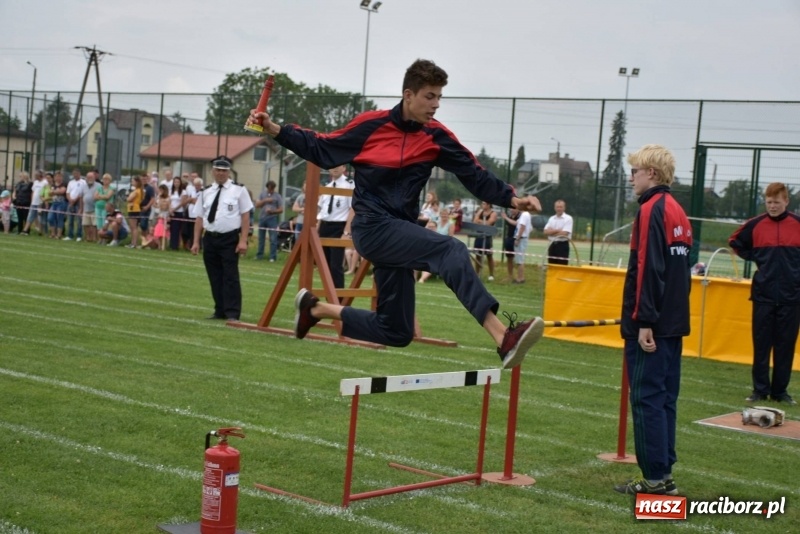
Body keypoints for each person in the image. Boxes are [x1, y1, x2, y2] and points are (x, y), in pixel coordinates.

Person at [247, 58, 544, 369]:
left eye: (440, 97)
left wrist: (513, 199)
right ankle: (502, 337)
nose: (436, 105)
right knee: (451, 249)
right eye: (430, 96)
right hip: (373, 228)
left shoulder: (436, 136)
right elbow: (322, 146)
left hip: (400, 232)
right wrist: (275, 129)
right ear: (408, 95)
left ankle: (316, 310)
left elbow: (474, 174)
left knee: (396, 330)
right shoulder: (371, 126)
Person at [614, 144, 692, 496]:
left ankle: (656, 481)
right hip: (674, 322)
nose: (631, 177)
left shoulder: (651, 209)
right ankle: (663, 473)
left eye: (636, 171)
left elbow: (648, 268)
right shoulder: (678, 210)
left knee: (646, 398)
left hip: (653, 324)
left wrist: (644, 320)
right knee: (664, 399)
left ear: (653, 174)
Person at [729, 181, 800, 406]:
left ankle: (780, 392)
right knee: (761, 345)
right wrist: (757, 257)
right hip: (763, 296)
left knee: (785, 346)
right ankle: (759, 390)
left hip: (792, 297)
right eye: (769, 202)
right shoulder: (755, 224)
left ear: (786, 202)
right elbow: (735, 241)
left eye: (777, 202)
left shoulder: (797, 224)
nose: (772, 206)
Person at [191, 156, 253, 321]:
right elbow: (199, 217)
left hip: (229, 239)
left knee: (230, 277)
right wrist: (196, 241)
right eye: (218, 170)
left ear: (228, 172)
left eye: (224, 170)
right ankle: (220, 310)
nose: (221, 173)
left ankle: (232, 313)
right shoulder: (205, 192)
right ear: (212, 171)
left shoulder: (239, 190)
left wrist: (243, 240)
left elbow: (245, 216)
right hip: (210, 238)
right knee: (215, 276)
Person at [317, 165, 354, 288]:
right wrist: (317, 230)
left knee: (335, 266)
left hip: (338, 227)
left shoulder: (349, 185)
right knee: (324, 266)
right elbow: (322, 212)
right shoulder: (327, 187)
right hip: (325, 226)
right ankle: (329, 297)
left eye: (339, 165)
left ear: (344, 168)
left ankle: (338, 300)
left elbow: (352, 209)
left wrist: (346, 232)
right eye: (332, 166)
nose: (335, 168)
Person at [254, 180, 283, 261]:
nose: (271, 190)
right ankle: (259, 255)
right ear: (267, 188)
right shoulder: (262, 194)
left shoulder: (277, 196)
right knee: (261, 238)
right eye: (270, 189)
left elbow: (281, 209)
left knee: (273, 239)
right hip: (262, 218)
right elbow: (257, 205)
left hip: (272, 218)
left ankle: (272, 257)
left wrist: (272, 211)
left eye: (272, 189)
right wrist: (265, 200)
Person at [543, 199, 573, 265]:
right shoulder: (551, 219)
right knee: (551, 266)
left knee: (562, 267)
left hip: (562, 246)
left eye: (561, 207)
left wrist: (551, 232)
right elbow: (545, 232)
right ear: (554, 208)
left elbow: (564, 233)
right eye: (557, 207)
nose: (559, 209)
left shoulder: (568, 218)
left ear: (564, 208)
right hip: (552, 245)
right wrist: (557, 230)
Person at [472, 201, 497, 281]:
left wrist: (481, 222)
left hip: (487, 237)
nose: (483, 205)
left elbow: (489, 223)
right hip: (479, 235)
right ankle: (477, 273)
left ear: (489, 205)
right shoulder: (480, 211)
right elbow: (475, 221)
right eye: (482, 204)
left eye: (484, 204)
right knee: (477, 255)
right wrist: (482, 222)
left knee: (489, 256)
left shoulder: (493, 213)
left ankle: (491, 274)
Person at [21, 170, 46, 235]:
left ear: (40, 175)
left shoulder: (45, 182)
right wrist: (32, 201)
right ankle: (25, 230)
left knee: (40, 218)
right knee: (30, 216)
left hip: (40, 203)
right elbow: (33, 192)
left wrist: (43, 201)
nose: (35, 176)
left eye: (36, 175)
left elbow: (45, 192)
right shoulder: (35, 182)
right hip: (34, 203)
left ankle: (41, 231)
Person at [512, 206, 532, 284]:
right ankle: (520, 277)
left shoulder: (524, 215)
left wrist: (518, 238)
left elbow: (522, 227)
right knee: (519, 259)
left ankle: (520, 278)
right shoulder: (525, 215)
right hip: (523, 238)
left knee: (520, 260)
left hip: (521, 239)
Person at [64, 168, 85, 241]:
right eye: (74, 174)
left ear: (79, 174)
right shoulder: (70, 182)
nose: (75, 175)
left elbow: (81, 193)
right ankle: (70, 235)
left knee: (79, 220)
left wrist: (75, 200)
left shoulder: (83, 182)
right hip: (71, 202)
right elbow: (67, 193)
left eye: (76, 173)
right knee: (70, 220)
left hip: (78, 202)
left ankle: (79, 235)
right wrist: (70, 200)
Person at [501, 207, 521, 281]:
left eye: (514, 209)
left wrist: (506, 217)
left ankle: (519, 276)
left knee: (518, 260)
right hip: (509, 238)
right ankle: (510, 275)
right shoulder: (509, 216)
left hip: (516, 239)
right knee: (509, 258)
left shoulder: (520, 217)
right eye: (511, 209)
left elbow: (515, 223)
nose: (512, 210)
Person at [48, 171, 68, 239]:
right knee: (50, 218)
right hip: (54, 203)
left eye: (59, 176)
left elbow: (62, 191)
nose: (58, 178)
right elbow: (49, 193)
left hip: (61, 203)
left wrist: (54, 192)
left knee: (59, 218)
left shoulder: (64, 184)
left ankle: (59, 234)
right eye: (56, 176)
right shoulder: (53, 185)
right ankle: (53, 233)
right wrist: (56, 192)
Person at [94, 174, 115, 238]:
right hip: (98, 207)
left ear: (110, 181)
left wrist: (99, 196)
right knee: (98, 223)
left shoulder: (111, 189)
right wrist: (103, 197)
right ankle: (100, 238)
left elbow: (108, 197)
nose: (105, 181)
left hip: (106, 208)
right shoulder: (99, 188)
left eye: (107, 179)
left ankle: (104, 238)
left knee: (104, 223)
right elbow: (95, 197)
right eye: (104, 179)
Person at [81, 171, 99, 243]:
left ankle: (94, 238)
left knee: (94, 225)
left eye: (91, 177)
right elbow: (82, 197)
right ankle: (88, 238)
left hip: (95, 208)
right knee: (85, 224)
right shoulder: (84, 186)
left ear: (94, 177)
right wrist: (81, 208)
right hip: (86, 208)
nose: (89, 179)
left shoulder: (99, 186)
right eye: (88, 177)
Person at [126, 176, 143, 248]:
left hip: (134, 209)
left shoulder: (137, 191)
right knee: (132, 227)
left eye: (133, 181)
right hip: (131, 209)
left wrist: (128, 196)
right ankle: (132, 242)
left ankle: (134, 243)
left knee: (134, 227)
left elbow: (129, 199)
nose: (132, 182)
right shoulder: (135, 190)